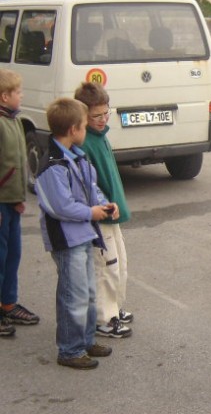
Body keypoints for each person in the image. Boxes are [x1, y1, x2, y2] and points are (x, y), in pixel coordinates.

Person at [34, 97, 117, 369]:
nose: (86, 130)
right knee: (74, 294)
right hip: (67, 239)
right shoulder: (52, 166)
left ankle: (85, 340)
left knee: (89, 292)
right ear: (73, 130)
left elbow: (91, 187)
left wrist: (104, 204)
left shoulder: (78, 157)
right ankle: (70, 350)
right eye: (84, 125)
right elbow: (61, 207)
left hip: (83, 235)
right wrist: (91, 213)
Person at [75, 82, 133, 339]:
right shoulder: (85, 143)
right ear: (83, 116)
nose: (102, 119)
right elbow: (89, 184)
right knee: (106, 266)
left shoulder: (101, 137)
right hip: (101, 214)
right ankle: (103, 318)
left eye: (106, 113)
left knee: (120, 262)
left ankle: (115, 308)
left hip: (113, 213)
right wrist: (104, 206)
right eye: (96, 116)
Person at [0, 68, 39, 336]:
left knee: (13, 256)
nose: (22, 95)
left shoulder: (14, 120)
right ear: (4, 96)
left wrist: (19, 199)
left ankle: (8, 304)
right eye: (18, 92)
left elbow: (17, 163)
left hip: (12, 202)